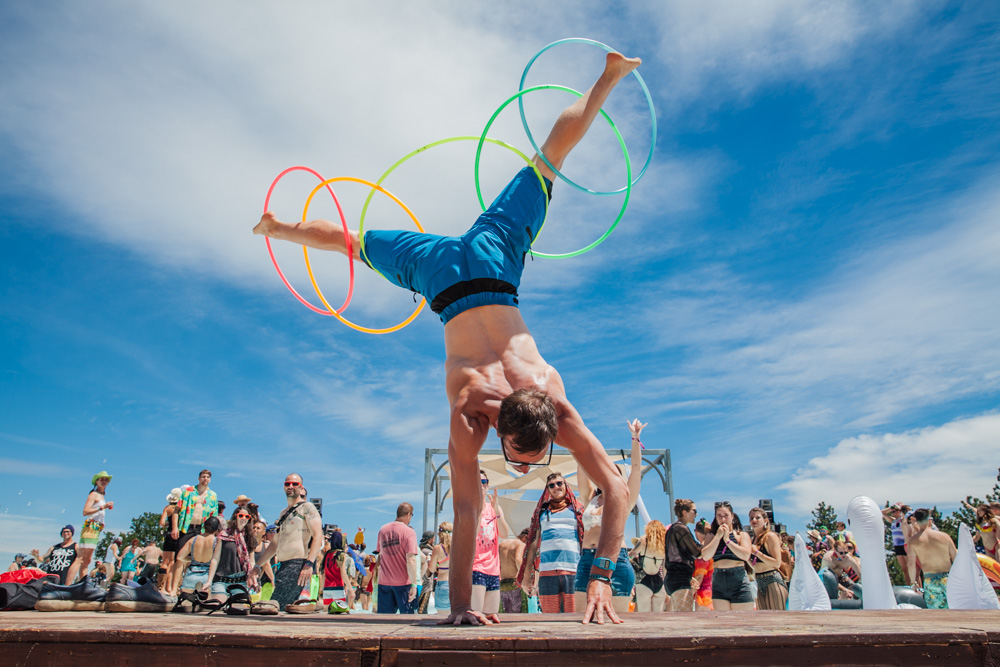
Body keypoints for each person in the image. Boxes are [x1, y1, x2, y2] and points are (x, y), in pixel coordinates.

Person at [254, 51, 643, 626]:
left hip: (485, 264)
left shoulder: (528, 399)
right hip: (451, 275)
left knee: (540, 162)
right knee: (543, 161)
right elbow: (610, 490)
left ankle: (278, 226)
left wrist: (465, 606)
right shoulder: (486, 406)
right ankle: (610, 74)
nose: (519, 463)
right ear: (507, 433)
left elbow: (471, 508)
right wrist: (466, 606)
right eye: (522, 457)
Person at [574, 420, 644, 616]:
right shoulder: (589, 498)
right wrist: (578, 436)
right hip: (587, 559)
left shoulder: (625, 499)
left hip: (617, 562)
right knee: (582, 621)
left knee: (617, 624)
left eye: (614, 471)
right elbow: (581, 463)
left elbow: (636, 468)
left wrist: (635, 438)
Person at [252, 474, 324, 611]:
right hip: (284, 566)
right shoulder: (283, 513)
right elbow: (274, 544)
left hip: (296, 565)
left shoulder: (307, 508)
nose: (290, 486)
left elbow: (317, 535)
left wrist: (309, 564)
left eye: (294, 484)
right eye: (287, 484)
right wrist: (257, 565)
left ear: (301, 487)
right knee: (281, 609)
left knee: (274, 606)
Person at [518, 472, 583, 614]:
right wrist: (527, 575)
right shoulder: (541, 513)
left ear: (566, 486)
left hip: (574, 570)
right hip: (547, 572)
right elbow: (533, 544)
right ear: (548, 490)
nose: (556, 487)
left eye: (560, 483)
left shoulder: (578, 510)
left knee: (574, 617)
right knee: (549, 617)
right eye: (552, 485)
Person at [65, 471, 114, 585]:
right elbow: (85, 511)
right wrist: (102, 507)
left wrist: (102, 522)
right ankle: (67, 585)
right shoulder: (94, 494)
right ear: (96, 481)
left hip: (95, 528)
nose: (104, 481)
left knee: (87, 560)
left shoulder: (101, 495)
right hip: (90, 527)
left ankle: (83, 585)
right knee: (81, 558)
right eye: (101, 479)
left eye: (106, 479)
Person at [703, 502, 754, 611]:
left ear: (732, 516)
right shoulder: (711, 536)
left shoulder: (741, 535)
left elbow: (745, 555)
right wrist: (718, 537)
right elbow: (706, 556)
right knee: (723, 620)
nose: (723, 519)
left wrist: (727, 540)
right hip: (718, 580)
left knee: (743, 620)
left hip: (738, 579)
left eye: (726, 515)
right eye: (719, 516)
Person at [473, 473, 511, 616]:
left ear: (488, 485)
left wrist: (496, 512)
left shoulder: (493, 507)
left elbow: (504, 533)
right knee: (476, 616)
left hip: (494, 570)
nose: (481, 485)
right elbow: (472, 535)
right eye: (477, 481)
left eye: (484, 482)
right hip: (476, 568)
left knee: (491, 617)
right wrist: (478, 510)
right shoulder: (470, 508)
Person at [207, 507, 259, 607]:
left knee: (237, 609)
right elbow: (215, 559)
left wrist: (253, 579)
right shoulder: (223, 535)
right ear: (236, 516)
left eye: (247, 516)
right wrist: (209, 581)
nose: (244, 518)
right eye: (241, 515)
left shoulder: (250, 537)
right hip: (222, 580)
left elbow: (251, 561)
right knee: (217, 606)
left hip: (240, 581)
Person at [374, 502, 419, 614]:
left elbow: (380, 555)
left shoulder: (383, 530)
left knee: (384, 621)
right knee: (408, 620)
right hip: (403, 583)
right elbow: (411, 559)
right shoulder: (409, 532)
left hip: (384, 582)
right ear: (409, 514)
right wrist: (414, 584)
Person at [906, 508, 956, 609]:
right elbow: (957, 559)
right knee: (955, 611)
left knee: (936, 616)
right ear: (930, 520)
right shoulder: (945, 537)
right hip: (949, 579)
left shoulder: (913, 541)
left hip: (930, 581)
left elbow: (911, 564)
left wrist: (913, 583)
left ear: (916, 521)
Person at [664, 499, 707, 613]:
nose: (696, 514)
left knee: (681, 616)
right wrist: (709, 535)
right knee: (685, 618)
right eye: (694, 510)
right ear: (684, 512)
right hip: (679, 579)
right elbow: (697, 552)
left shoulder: (674, 529)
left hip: (675, 578)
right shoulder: (681, 528)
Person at [747, 507, 787, 611]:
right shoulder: (753, 540)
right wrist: (747, 557)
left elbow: (776, 563)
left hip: (772, 579)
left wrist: (756, 552)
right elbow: (755, 565)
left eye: (757, 518)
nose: (754, 520)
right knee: (764, 619)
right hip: (759, 580)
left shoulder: (770, 536)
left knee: (777, 617)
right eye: (751, 518)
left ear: (765, 521)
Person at [178, 516, 221, 599]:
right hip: (207, 575)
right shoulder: (216, 541)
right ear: (217, 529)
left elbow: (180, 557)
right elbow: (216, 560)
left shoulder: (194, 539)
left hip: (191, 574)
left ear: (204, 526)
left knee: (186, 602)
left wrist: (191, 559)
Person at [629, 519, 667, 612]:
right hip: (659, 581)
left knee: (644, 616)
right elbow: (665, 568)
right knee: (658, 618)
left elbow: (630, 555)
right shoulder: (663, 546)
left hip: (644, 580)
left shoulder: (643, 541)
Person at [499, 528, 528, 613]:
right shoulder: (520, 544)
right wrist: (523, 578)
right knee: (518, 616)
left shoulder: (502, 544)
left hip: (502, 584)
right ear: (525, 537)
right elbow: (518, 559)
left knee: (504, 615)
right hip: (515, 584)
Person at [881, 503, 912, 585]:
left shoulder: (904, 519)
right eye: (892, 512)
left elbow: (907, 513)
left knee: (911, 567)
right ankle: (909, 585)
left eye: (895, 511)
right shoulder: (893, 521)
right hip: (897, 546)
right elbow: (882, 513)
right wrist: (890, 508)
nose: (893, 513)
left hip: (904, 544)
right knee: (904, 568)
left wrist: (901, 507)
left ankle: (916, 585)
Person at [159, 488, 182, 594]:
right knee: (173, 563)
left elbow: (162, 522)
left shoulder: (167, 508)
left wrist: (168, 524)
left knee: (164, 562)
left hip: (169, 534)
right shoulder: (180, 509)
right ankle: (169, 587)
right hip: (177, 535)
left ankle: (161, 586)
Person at [322, 530, 351, 610]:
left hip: (327, 588)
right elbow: (343, 573)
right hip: (338, 587)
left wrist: (321, 590)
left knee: (327, 611)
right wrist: (350, 588)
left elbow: (324, 574)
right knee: (340, 612)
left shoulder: (327, 554)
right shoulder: (341, 554)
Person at [427, 522, 453, 614]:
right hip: (455, 584)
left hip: (443, 583)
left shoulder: (437, 548)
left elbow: (432, 569)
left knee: (442, 617)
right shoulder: (457, 546)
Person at [692, 520, 714, 612]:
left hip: (703, 597)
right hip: (712, 593)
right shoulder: (712, 548)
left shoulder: (702, 552)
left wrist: (690, 593)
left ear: (696, 531)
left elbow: (699, 577)